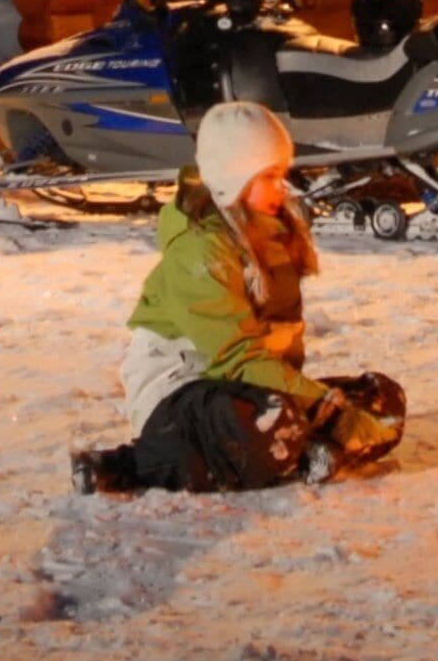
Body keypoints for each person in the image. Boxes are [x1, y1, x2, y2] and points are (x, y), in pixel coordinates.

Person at [71, 103, 407, 494]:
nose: (281, 188)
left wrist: (323, 405)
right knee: (266, 421)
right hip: (184, 393)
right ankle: (127, 465)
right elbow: (236, 359)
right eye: (268, 176)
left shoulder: (271, 234)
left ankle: (303, 451)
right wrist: (318, 405)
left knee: (382, 401)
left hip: (252, 386)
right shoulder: (201, 252)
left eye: (281, 174)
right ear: (233, 179)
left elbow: (279, 347)